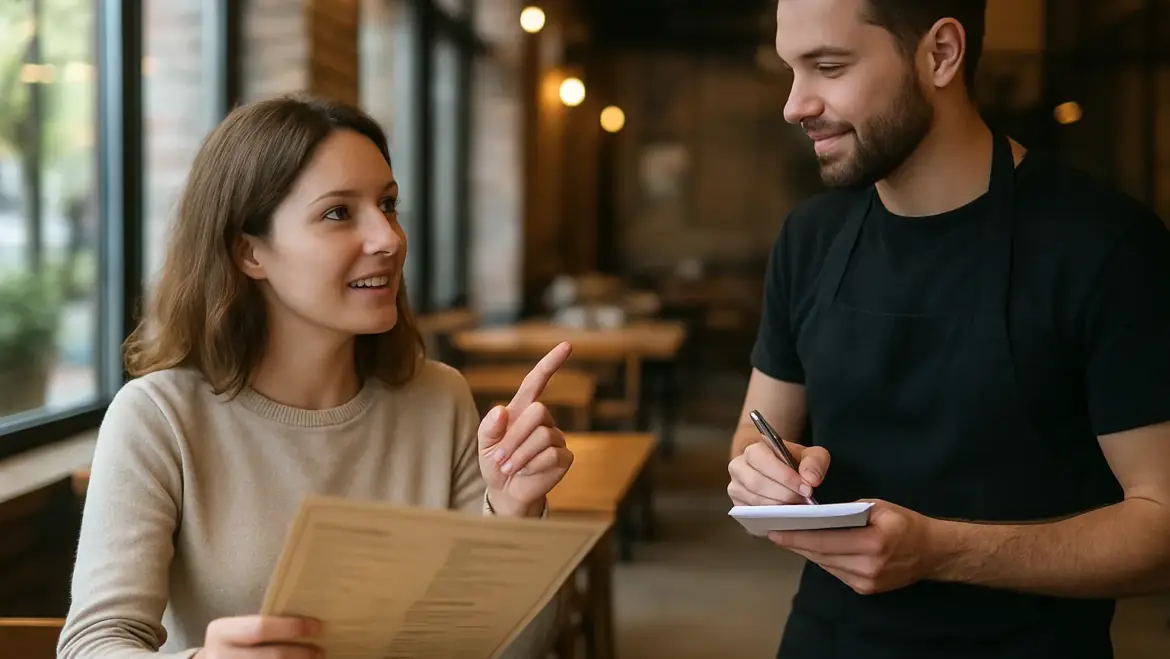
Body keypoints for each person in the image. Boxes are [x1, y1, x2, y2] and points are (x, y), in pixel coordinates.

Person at [57, 96, 574, 659]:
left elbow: (509, 651)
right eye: (337, 213)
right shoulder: (158, 416)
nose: (388, 239)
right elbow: (92, 644)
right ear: (250, 252)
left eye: (388, 204)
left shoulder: (441, 400)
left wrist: (516, 518)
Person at [727, 1, 1170, 657]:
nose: (795, 105)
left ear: (940, 54)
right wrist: (761, 474)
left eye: (827, 66)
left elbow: (1162, 526)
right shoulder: (809, 239)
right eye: (792, 70)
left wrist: (938, 551)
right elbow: (756, 432)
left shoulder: (1105, 247)